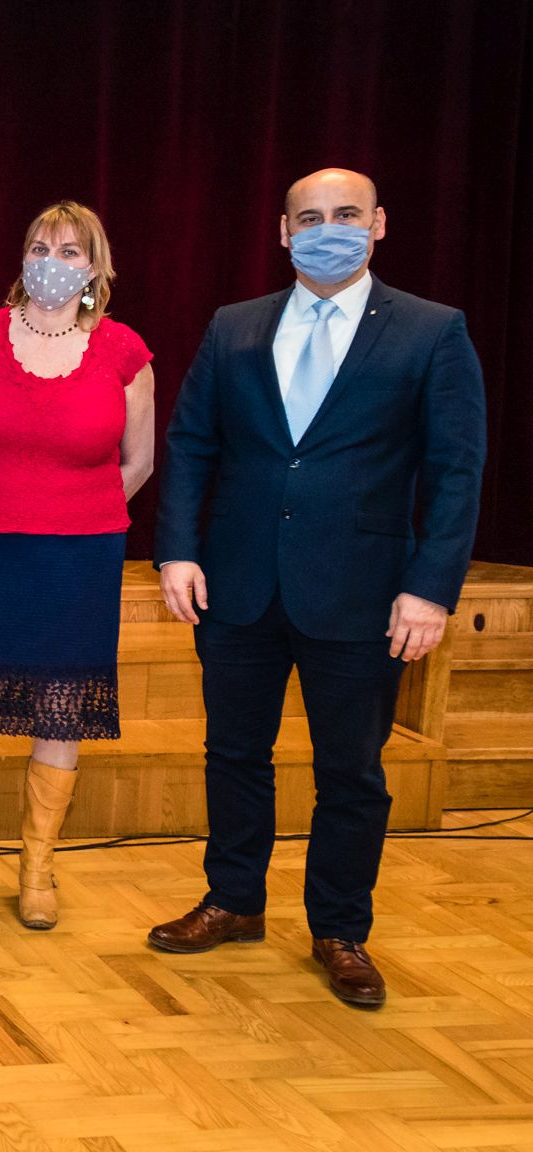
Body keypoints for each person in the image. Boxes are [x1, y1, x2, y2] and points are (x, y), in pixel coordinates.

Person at [147, 169, 485, 1007]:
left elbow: (456, 468)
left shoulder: (432, 330)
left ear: (378, 223)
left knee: (351, 772)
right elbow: (190, 444)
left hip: (364, 593)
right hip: (237, 586)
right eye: (309, 217)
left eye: (345, 214)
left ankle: (339, 928)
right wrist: (176, 552)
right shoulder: (234, 326)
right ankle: (233, 900)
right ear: (283, 231)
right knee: (234, 754)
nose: (326, 228)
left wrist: (431, 588)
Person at [0, 201, 156, 930]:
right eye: (39, 247)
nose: (50, 262)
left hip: (83, 555)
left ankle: (36, 867)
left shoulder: (123, 350)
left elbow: (139, 461)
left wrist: (74, 511)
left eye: (68, 251)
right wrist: (3, 504)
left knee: (65, 702)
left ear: (94, 268)